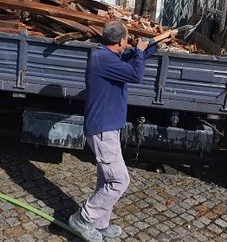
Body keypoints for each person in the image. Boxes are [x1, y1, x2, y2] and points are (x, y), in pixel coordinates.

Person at [68, 20, 160, 241]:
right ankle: (83, 218)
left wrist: (152, 46)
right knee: (119, 180)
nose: (128, 43)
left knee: (106, 180)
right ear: (120, 41)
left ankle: (100, 223)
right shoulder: (102, 60)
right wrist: (138, 51)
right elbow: (136, 75)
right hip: (102, 129)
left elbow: (132, 61)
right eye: (126, 40)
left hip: (108, 128)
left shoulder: (106, 56)